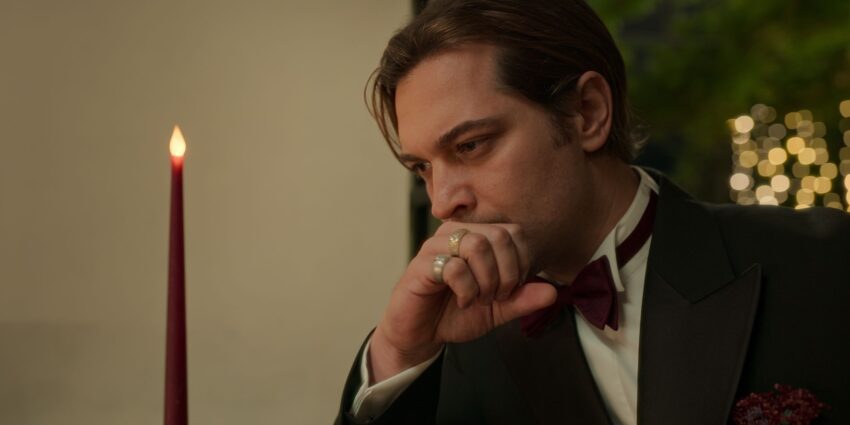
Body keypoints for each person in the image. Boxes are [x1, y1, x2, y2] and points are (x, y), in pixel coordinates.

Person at [334, 0, 850, 423]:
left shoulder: (825, 264)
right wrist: (397, 351)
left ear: (588, 113)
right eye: (422, 168)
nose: (444, 201)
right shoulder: (448, 350)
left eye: (471, 145)